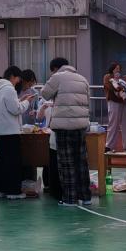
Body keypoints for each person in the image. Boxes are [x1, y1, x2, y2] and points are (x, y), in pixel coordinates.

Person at [41, 58, 91, 207]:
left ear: (56, 68)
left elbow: (45, 93)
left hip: (63, 126)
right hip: (81, 126)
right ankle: (86, 197)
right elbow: (87, 101)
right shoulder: (83, 79)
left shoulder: (57, 77)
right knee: (81, 162)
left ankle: (70, 199)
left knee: (67, 163)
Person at [0, 66, 32, 200]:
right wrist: (27, 102)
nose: (19, 82)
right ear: (13, 76)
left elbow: (7, 107)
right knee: (13, 162)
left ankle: (1, 190)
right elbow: (15, 110)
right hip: (10, 132)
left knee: (2, 162)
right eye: (18, 78)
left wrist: (20, 100)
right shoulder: (9, 89)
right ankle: (13, 191)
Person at [103, 62, 126, 152]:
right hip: (113, 102)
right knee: (113, 124)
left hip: (124, 102)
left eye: (119, 68)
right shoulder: (107, 77)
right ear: (112, 69)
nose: (118, 70)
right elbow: (110, 87)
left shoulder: (123, 77)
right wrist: (120, 87)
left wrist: (125, 84)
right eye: (116, 68)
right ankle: (109, 146)